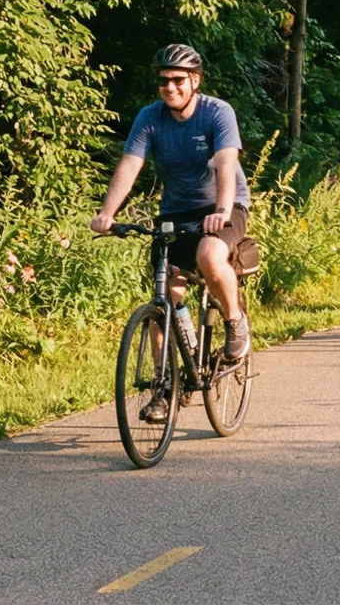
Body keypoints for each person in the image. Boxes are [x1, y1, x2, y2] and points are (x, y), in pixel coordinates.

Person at [90, 44, 253, 421]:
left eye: (178, 80)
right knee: (165, 294)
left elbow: (227, 164)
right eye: (164, 80)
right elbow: (130, 165)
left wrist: (222, 211)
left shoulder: (217, 113)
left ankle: (234, 321)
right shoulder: (150, 118)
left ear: (194, 81)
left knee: (210, 255)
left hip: (223, 206)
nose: (170, 87)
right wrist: (106, 214)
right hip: (176, 211)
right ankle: (166, 387)